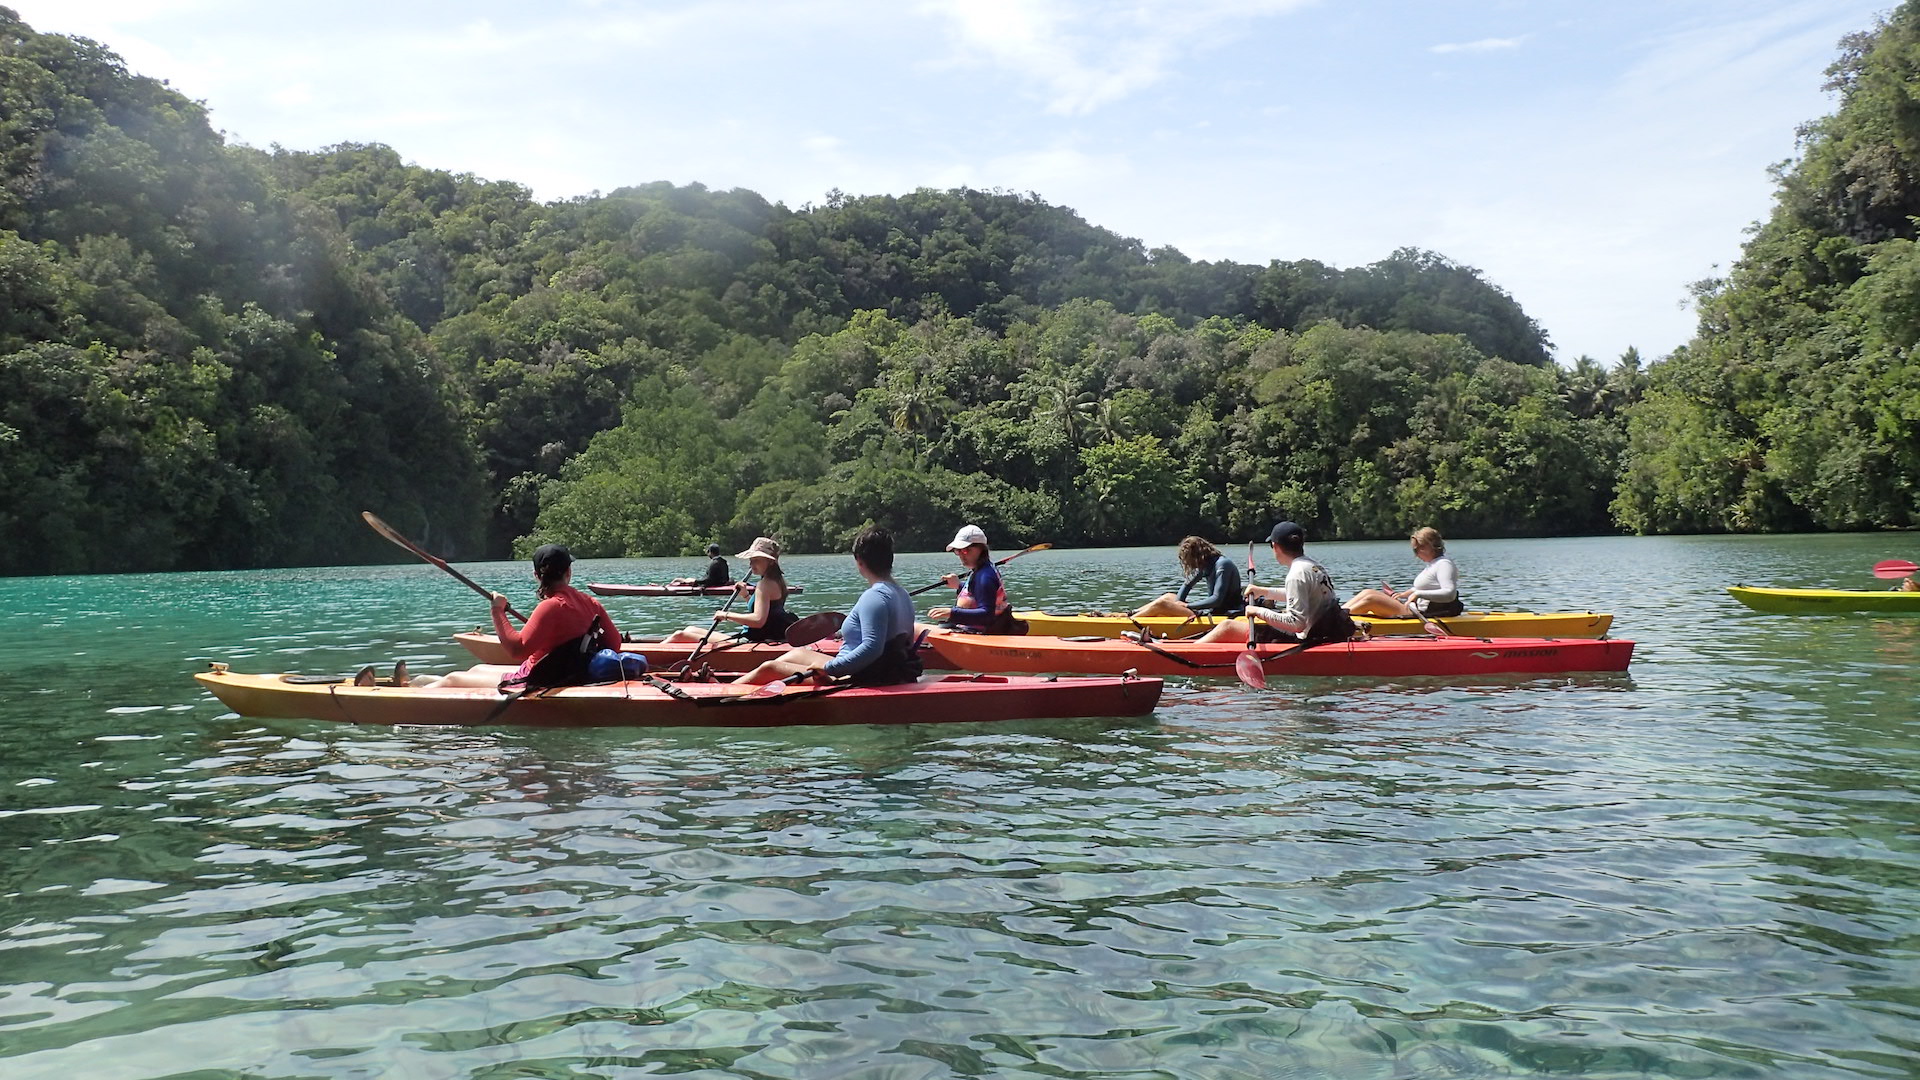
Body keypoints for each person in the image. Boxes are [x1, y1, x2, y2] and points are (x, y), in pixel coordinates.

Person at [413, 544, 626, 689]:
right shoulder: (591, 603)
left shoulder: (550, 607)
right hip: (565, 672)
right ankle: (418, 683)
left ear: (536, 576)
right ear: (568, 573)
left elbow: (517, 649)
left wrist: (498, 611)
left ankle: (410, 693)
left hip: (539, 679)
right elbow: (614, 644)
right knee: (477, 668)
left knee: (453, 680)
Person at [735, 525, 923, 686]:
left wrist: (829, 668)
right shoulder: (901, 594)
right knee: (796, 654)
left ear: (859, 562)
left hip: (857, 675)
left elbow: (872, 648)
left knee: (769, 668)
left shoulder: (874, 597)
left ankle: (718, 692)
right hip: (877, 669)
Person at [1193, 521, 1357, 646]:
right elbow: (1301, 595)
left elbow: (1296, 624)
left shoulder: (1296, 574)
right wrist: (1263, 591)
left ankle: (1188, 656)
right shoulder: (1311, 565)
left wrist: (1258, 611)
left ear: (1275, 546)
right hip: (1324, 629)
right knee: (1238, 624)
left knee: (1228, 626)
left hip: (1305, 638)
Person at [662, 536, 796, 643]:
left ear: (771, 561)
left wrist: (726, 615)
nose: (751, 564)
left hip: (750, 640)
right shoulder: (778, 581)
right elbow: (768, 613)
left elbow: (758, 620)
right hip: (758, 636)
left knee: (680, 635)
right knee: (690, 629)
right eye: (751, 560)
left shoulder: (764, 584)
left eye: (756, 560)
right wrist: (746, 596)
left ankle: (646, 663)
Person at [1345, 526, 1463, 619]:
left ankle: (1339, 620)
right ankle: (1337, 614)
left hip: (1419, 612)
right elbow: (1425, 587)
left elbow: (1450, 594)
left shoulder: (1444, 564)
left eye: (1418, 549)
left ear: (1429, 546)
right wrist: (1403, 595)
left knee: (1371, 599)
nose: (1416, 554)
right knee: (1368, 592)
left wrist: (1419, 594)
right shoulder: (1433, 564)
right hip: (1412, 607)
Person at [926, 524, 1016, 634]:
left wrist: (951, 613)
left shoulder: (985, 576)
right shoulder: (980, 571)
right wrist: (958, 585)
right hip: (969, 630)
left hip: (981, 635)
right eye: (958, 551)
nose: (962, 556)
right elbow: (979, 592)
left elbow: (987, 615)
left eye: (966, 550)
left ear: (981, 549)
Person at [1131, 536, 1243, 620]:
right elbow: (1181, 596)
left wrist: (1187, 605)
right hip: (1211, 610)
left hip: (1222, 614)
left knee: (1162, 605)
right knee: (1168, 596)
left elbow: (1217, 600)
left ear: (1198, 555)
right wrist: (1188, 584)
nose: (1190, 565)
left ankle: (1132, 622)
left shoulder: (1223, 565)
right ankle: (1132, 613)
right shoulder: (1206, 565)